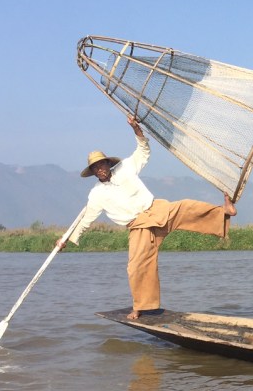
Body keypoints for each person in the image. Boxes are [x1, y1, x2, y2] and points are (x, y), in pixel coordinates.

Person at [57, 115, 236, 320]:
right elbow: (86, 220)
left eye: (102, 165)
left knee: (186, 207)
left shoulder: (125, 167)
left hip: (156, 210)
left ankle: (225, 212)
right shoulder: (96, 194)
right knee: (136, 266)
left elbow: (143, 150)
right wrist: (65, 239)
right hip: (139, 226)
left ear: (107, 163)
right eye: (96, 168)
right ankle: (140, 306)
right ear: (93, 172)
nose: (100, 169)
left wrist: (136, 130)